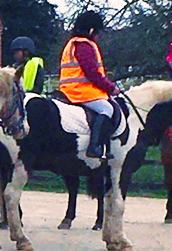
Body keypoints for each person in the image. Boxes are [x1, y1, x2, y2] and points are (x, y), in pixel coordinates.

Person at [58, 11, 121, 159]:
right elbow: (92, 73)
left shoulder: (73, 43)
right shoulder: (84, 45)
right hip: (80, 91)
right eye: (98, 32)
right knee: (107, 109)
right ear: (92, 30)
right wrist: (111, 88)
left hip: (70, 88)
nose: (98, 36)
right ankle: (95, 146)